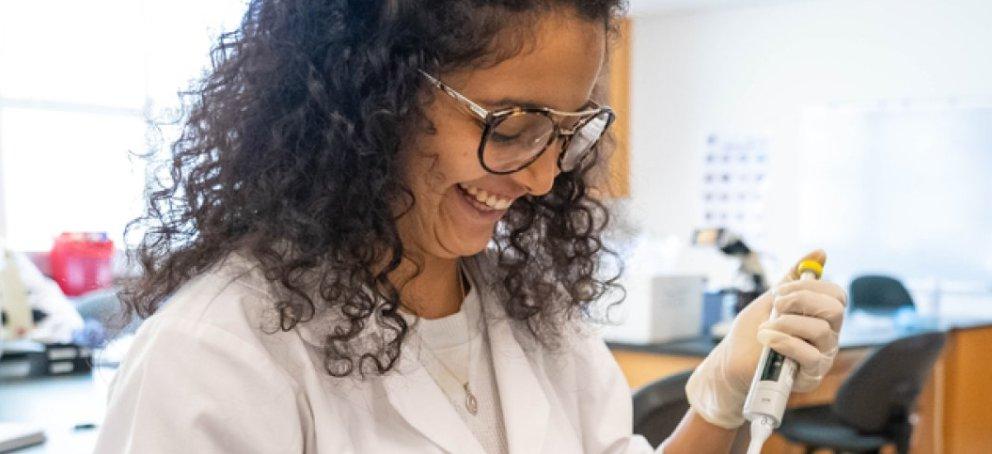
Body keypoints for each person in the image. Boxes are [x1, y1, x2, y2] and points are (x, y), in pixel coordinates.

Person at [95, 1, 847, 452]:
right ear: (370, 96)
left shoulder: (528, 309)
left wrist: (717, 398)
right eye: (513, 124)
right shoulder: (217, 355)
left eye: (567, 128)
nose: (544, 175)